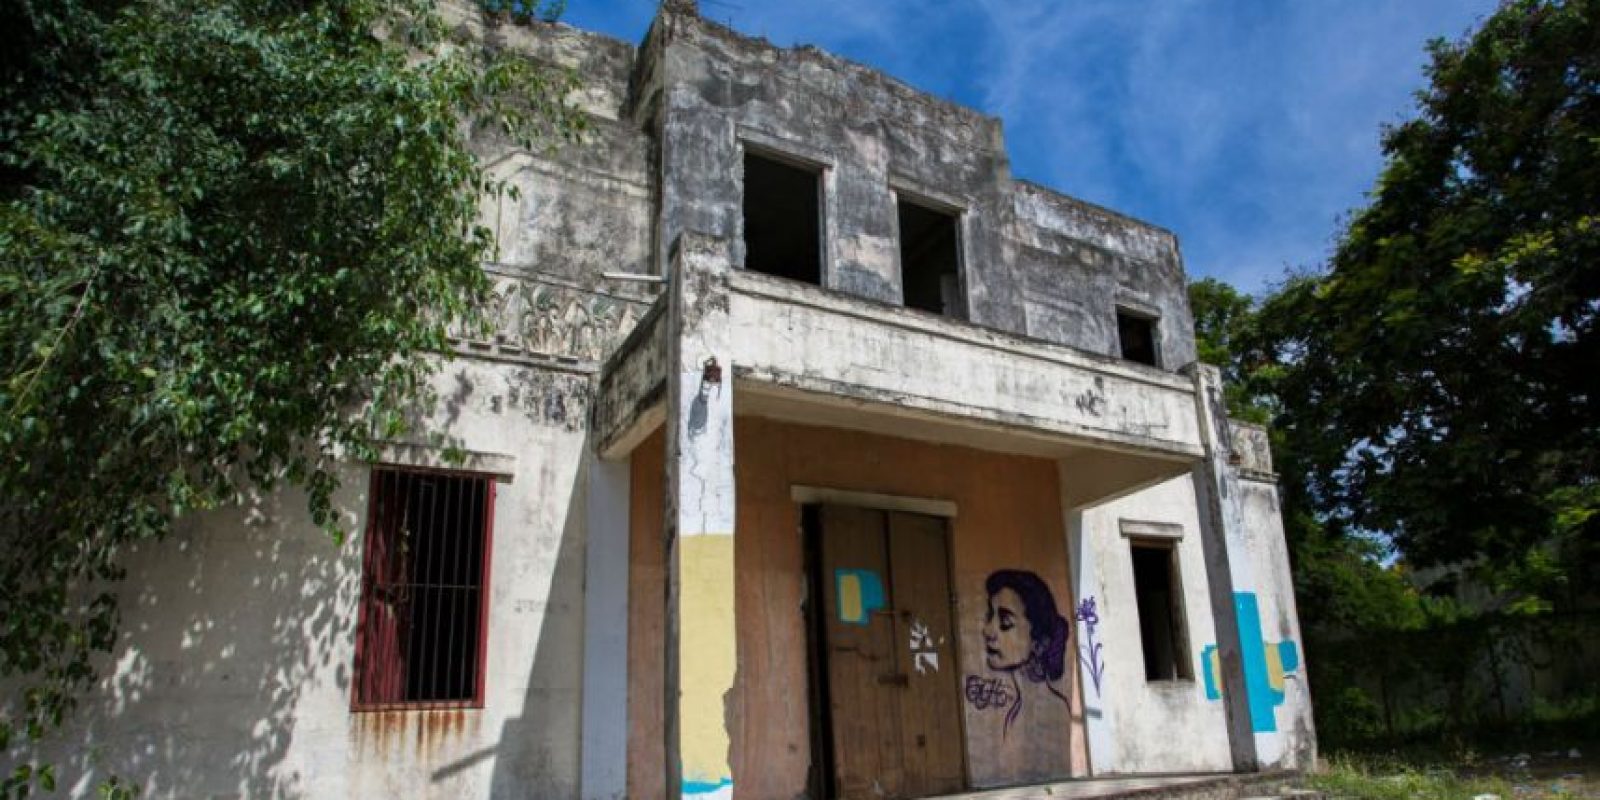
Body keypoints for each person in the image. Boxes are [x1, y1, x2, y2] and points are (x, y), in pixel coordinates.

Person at [979, 569, 1071, 735]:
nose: (987, 631)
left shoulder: (1052, 710)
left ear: (1039, 643)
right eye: (989, 616)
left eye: (1005, 622)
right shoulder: (1018, 710)